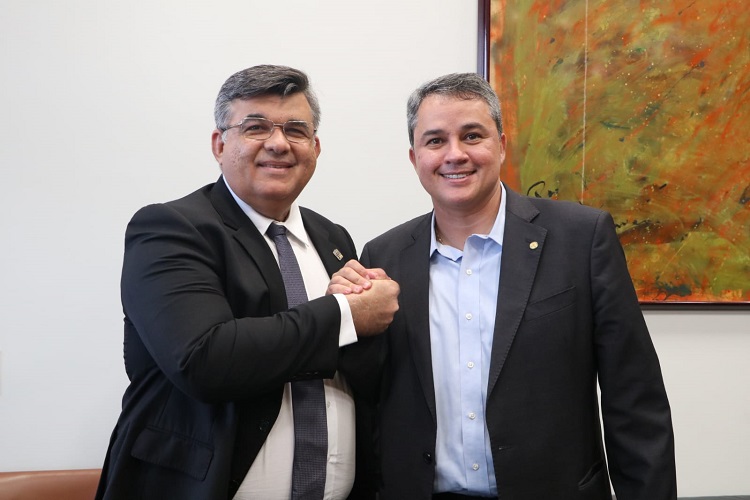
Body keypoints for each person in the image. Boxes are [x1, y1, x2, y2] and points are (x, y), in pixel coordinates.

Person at [331, 73, 677, 499]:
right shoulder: (384, 256)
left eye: (472, 136)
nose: (455, 154)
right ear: (414, 157)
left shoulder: (581, 238)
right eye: (435, 141)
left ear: (501, 145)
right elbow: (373, 395)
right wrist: (342, 319)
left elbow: (634, 397)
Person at [96, 64, 399, 500]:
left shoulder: (333, 238)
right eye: (256, 127)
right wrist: (344, 315)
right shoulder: (170, 229)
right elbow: (203, 360)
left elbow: (357, 368)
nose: (278, 143)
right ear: (219, 145)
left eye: (296, 130)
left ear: (315, 148)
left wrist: (370, 321)